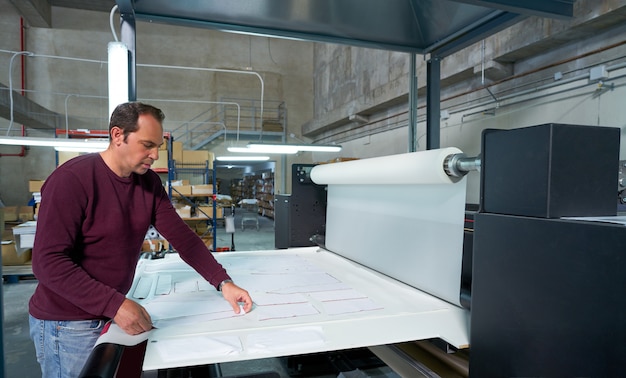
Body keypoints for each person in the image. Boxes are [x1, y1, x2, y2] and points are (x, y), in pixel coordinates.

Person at [28, 102, 253, 377]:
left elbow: (183, 238)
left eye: (158, 146)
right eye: (147, 145)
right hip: (67, 323)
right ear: (117, 135)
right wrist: (115, 304)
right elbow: (47, 262)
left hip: (107, 310)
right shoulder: (72, 180)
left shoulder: (147, 183)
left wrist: (223, 281)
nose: (155, 155)